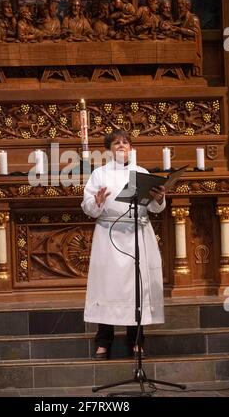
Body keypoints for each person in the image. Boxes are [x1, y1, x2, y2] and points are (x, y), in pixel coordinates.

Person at [81, 129, 165, 360]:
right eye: (116, 142)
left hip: (136, 234)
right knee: (107, 287)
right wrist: (96, 202)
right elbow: (88, 205)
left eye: (125, 142)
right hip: (109, 235)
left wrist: (159, 198)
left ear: (131, 148)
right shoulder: (100, 174)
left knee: (136, 288)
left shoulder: (141, 173)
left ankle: (136, 341)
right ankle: (103, 341)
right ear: (109, 149)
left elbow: (153, 207)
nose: (121, 145)